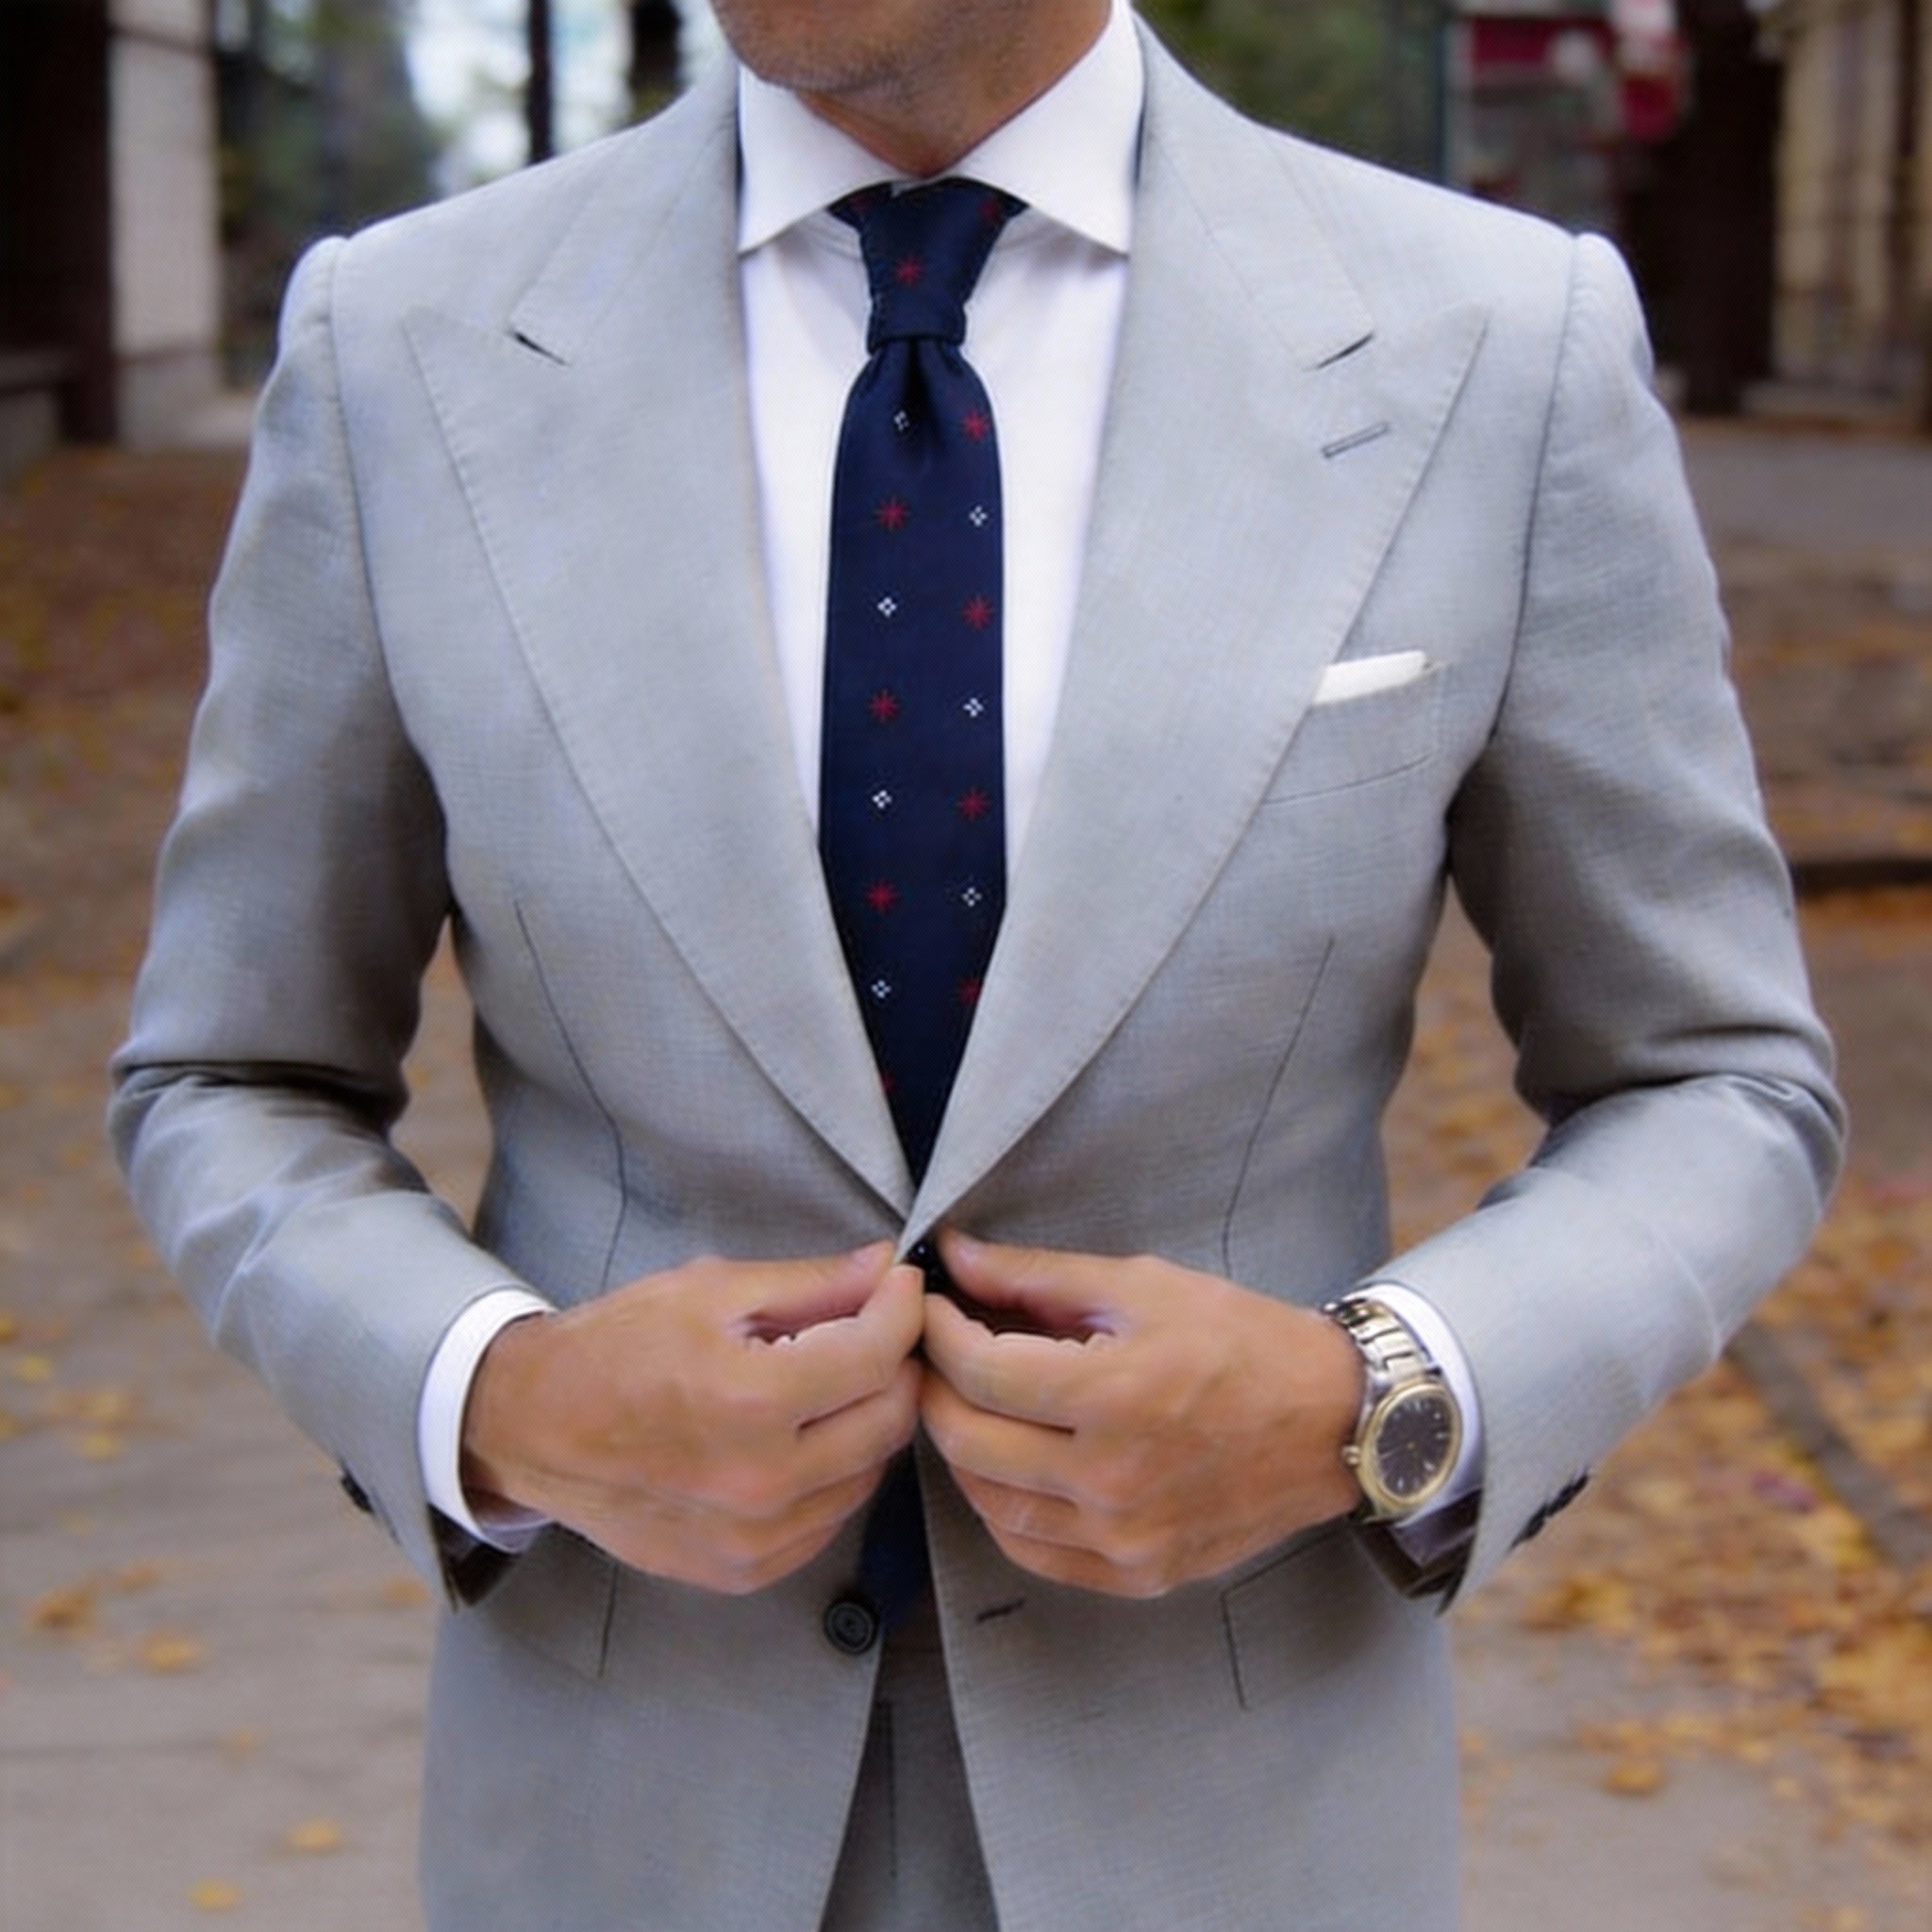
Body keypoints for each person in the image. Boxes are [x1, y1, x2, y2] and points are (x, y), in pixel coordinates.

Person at [110, 2, 1841, 1927]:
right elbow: (230, 1071)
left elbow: (1712, 1077)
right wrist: (493, 1395)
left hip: (1235, 1815)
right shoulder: (399, 350)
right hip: (621, 1819)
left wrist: (1380, 1403)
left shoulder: (1492, 345)